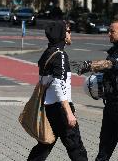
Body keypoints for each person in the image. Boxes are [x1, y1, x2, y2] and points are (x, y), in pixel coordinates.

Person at [78, 19, 118, 161]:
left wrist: (89, 65)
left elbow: (110, 64)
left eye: (112, 31)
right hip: (112, 103)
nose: (109, 34)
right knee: (106, 143)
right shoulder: (117, 48)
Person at [27, 21, 88, 161]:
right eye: (68, 30)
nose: (70, 33)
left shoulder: (48, 53)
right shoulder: (60, 55)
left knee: (45, 144)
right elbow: (59, 85)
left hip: (50, 107)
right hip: (60, 107)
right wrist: (68, 112)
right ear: (62, 34)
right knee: (76, 147)